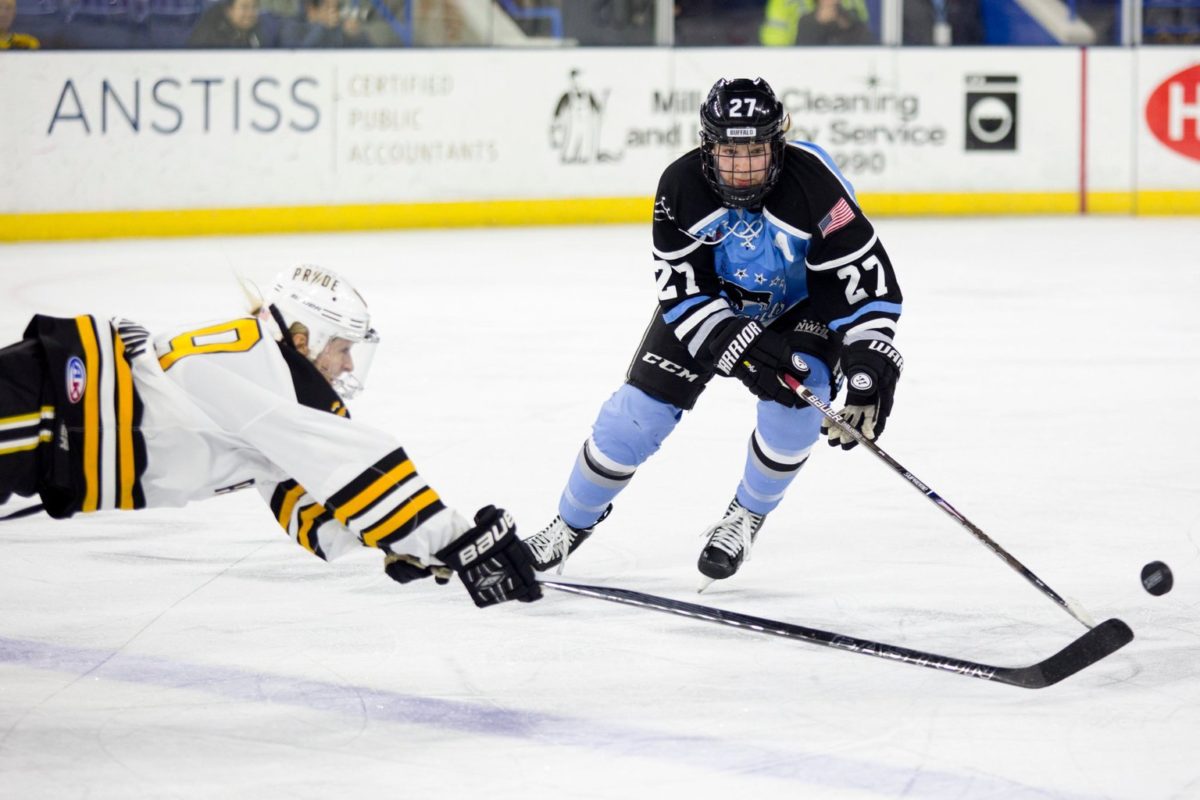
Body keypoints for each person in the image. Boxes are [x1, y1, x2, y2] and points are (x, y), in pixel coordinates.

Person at [523, 78, 904, 590]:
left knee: (799, 403)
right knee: (630, 422)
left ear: (778, 144)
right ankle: (567, 527)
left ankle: (745, 517)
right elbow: (683, 292)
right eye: (729, 152)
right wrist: (743, 349)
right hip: (713, 305)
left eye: (756, 151)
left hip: (801, 307)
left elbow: (861, 283)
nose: (743, 168)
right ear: (708, 146)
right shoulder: (679, 186)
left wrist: (869, 358)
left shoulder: (816, 187)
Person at [0, 266, 541, 609]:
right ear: (304, 337)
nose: (348, 364)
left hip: (52, 419)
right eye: (343, 348)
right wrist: (454, 539)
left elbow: (308, 503)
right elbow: (352, 462)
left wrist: (397, 540)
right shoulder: (268, 373)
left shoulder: (266, 384)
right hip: (45, 407)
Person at [187, 0, 279, 47]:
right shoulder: (208, 37)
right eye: (244, 7)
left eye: (254, 7)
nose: (250, 13)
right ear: (229, 11)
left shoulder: (263, 33)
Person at [279, 0, 367, 48]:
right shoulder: (292, 26)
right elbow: (299, 55)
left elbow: (367, 52)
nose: (333, 13)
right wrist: (321, 26)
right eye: (327, 7)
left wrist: (355, 36)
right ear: (311, 9)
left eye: (335, 8)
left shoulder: (337, 28)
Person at [794, 0, 873, 45]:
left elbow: (867, 46)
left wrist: (844, 24)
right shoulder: (806, 22)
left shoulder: (852, 20)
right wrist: (818, 24)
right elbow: (803, 54)